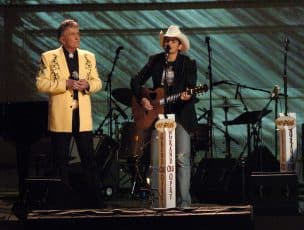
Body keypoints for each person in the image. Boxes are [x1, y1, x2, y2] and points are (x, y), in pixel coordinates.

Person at [36, 19, 102, 208]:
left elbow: (98, 82)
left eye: (78, 33)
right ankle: (62, 202)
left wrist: (88, 84)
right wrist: (63, 84)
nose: (77, 37)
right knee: (61, 160)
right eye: (73, 34)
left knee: (88, 158)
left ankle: (94, 201)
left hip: (82, 117)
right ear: (62, 38)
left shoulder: (89, 57)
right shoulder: (49, 57)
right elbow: (41, 83)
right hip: (61, 116)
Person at [130, 25, 198, 208]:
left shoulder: (188, 63)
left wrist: (187, 95)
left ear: (180, 45)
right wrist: (143, 98)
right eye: (167, 40)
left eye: (173, 41)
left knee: (182, 159)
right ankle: (157, 201)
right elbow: (135, 81)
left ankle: (184, 202)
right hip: (158, 117)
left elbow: (192, 87)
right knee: (156, 159)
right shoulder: (155, 61)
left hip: (181, 116)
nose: (169, 43)